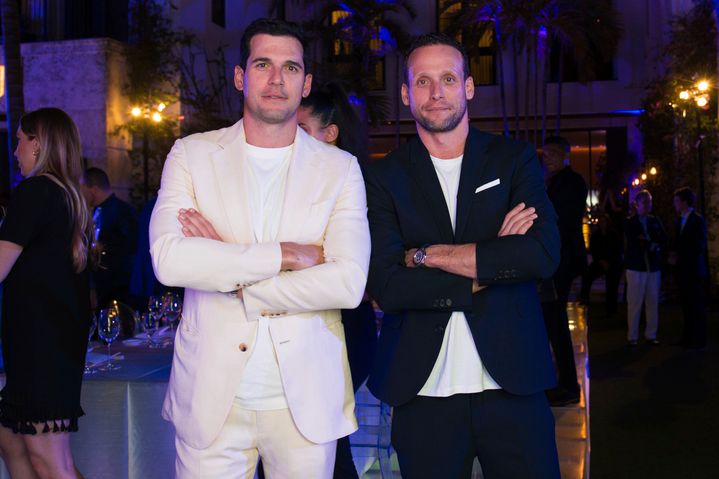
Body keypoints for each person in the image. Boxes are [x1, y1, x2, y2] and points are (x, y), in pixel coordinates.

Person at [149, 18, 370, 478]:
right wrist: (286, 255)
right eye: (263, 64)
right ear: (240, 75)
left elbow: (348, 284)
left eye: (290, 68)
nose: (276, 79)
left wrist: (233, 276)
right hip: (211, 400)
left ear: (305, 83)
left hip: (304, 403)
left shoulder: (340, 169)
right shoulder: (190, 155)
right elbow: (169, 260)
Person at [364, 33, 561, 478]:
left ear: (468, 87)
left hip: (514, 384)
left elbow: (541, 254)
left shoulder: (513, 160)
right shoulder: (383, 176)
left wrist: (426, 255)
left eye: (448, 79)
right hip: (423, 394)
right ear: (405, 93)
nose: (437, 93)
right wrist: (497, 260)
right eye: (423, 81)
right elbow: (388, 286)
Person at [0, 108, 91, 478]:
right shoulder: (65, 196)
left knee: (49, 461)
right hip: (48, 340)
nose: (15, 150)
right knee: (11, 441)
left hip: (42, 345)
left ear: (38, 144)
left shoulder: (35, 192)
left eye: (20, 140)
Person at [298, 83, 377, 479]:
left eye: (301, 129)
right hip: (308, 323)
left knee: (325, 435)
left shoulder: (356, 184)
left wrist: (300, 258)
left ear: (331, 133)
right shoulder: (293, 185)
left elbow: (357, 275)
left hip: (347, 326)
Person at [541, 135, 587, 406]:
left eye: (551, 154)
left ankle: (568, 386)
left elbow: (563, 223)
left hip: (562, 262)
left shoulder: (571, 183)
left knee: (556, 323)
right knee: (552, 321)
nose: (546, 159)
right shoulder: (555, 182)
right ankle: (561, 382)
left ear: (563, 155)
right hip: (556, 261)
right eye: (545, 154)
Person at [80, 167, 137, 317]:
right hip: (99, 288)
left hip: (119, 290)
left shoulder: (123, 212)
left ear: (93, 189)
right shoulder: (92, 213)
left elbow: (131, 249)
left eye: (82, 188)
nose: (80, 194)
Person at [624, 189, 665, 346]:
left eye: (650, 202)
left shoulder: (655, 221)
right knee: (635, 302)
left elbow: (662, 238)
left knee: (652, 301)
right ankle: (632, 336)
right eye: (645, 202)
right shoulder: (630, 222)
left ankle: (650, 335)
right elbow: (635, 242)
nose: (648, 205)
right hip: (636, 267)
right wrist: (651, 243)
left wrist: (648, 242)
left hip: (652, 267)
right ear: (638, 204)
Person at [671, 186, 707, 350]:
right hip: (683, 270)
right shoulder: (680, 220)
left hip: (693, 270)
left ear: (685, 202)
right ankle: (687, 336)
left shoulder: (697, 220)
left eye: (677, 201)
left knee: (695, 304)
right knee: (686, 304)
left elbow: (699, 245)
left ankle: (698, 338)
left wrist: (681, 255)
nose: (675, 204)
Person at [580, 213, 623, 316]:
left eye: (605, 221)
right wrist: (601, 261)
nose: (603, 224)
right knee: (587, 275)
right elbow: (594, 250)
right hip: (599, 262)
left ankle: (611, 308)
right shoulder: (595, 235)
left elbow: (617, 250)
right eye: (602, 221)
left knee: (612, 280)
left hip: (612, 263)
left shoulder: (613, 234)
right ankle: (584, 300)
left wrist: (609, 262)